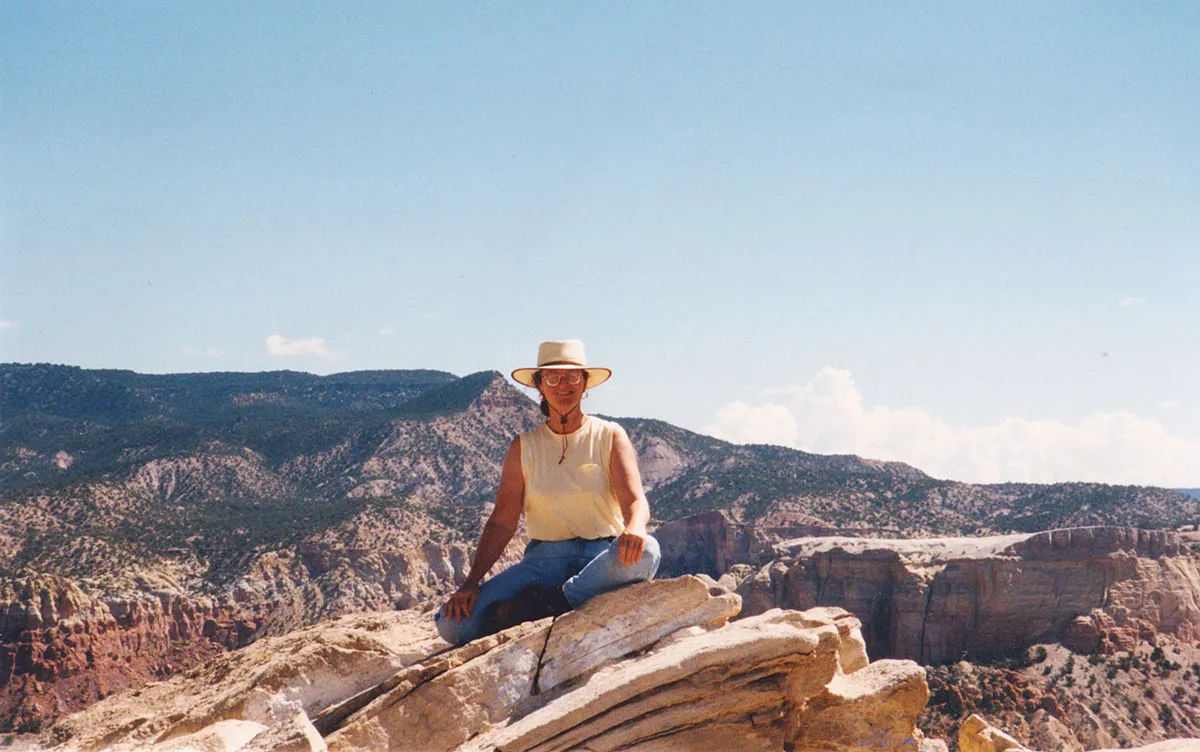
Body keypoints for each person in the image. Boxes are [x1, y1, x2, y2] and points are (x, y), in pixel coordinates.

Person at [436, 339, 661, 646]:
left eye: (572, 377)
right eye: (552, 378)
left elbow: (635, 500)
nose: (563, 386)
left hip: (599, 556)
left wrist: (634, 526)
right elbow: (502, 522)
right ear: (540, 386)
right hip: (542, 563)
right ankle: (569, 600)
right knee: (452, 625)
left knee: (647, 551)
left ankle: (551, 604)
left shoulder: (609, 435)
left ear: (585, 384)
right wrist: (471, 582)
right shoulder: (523, 447)